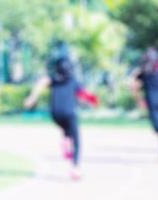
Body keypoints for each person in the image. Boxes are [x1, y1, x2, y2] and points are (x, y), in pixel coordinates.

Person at [24, 42, 96, 180]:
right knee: (77, 139)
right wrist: (91, 100)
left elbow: (41, 82)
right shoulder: (73, 81)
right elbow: (83, 96)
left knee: (65, 128)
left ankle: (65, 139)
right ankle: (75, 168)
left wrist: (32, 98)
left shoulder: (52, 79)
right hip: (69, 113)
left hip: (55, 114)